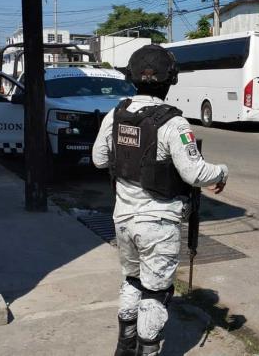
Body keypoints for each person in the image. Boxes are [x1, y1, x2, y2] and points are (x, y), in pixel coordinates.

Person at [92, 45, 229, 356]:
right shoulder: (174, 124)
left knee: (132, 280)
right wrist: (222, 172)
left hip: (123, 219)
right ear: (170, 81)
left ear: (132, 78)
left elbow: (99, 159)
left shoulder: (116, 114)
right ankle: (148, 351)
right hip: (158, 223)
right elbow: (195, 173)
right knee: (155, 293)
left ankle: (124, 348)